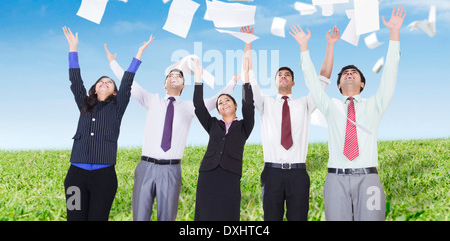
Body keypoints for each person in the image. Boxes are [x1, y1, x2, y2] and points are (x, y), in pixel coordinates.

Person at [291, 5, 406, 221]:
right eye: (345, 73)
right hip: (336, 179)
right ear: (339, 85)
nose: (349, 73)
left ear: (362, 83)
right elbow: (313, 84)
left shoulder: (375, 105)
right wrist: (304, 48)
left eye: (354, 73)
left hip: (369, 178)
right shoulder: (330, 106)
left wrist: (394, 34)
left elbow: (390, 74)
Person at [104, 47, 238, 221]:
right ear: (164, 84)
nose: (174, 78)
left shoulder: (190, 107)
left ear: (183, 86)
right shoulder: (151, 100)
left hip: (171, 169)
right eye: (170, 76)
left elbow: (215, 100)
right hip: (146, 167)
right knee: (140, 216)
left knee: (167, 217)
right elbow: (129, 83)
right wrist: (113, 63)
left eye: (179, 77)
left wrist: (233, 82)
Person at [241, 25, 339, 221]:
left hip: (298, 173)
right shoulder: (265, 103)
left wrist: (330, 45)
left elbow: (324, 78)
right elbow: (248, 74)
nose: (284, 77)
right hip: (272, 173)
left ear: (293, 82)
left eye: (288, 75)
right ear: (275, 82)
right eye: (280, 75)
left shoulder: (305, 104)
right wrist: (247, 43)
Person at [62, 26, 153, 221]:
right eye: (101, 81)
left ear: (114, 92)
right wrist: (73, 49)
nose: (104, 82)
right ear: (94, 89)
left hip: (104, 177)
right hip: (75, 177)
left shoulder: (118, 107)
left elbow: (127, 82)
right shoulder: (83, 104)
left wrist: (139, 53)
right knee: (73, 217)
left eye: (109, 82)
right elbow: (75, 80)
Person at [192, 57, 254, 221]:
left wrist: (246, 80)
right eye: (220, 102)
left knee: (228, 213)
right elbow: (198, 106)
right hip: (208, 173)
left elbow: (249, 105)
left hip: (230, 173)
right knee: (204, 212)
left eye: (227, 100)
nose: (223, 103)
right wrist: (198, 78)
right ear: (218, 110)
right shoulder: (212, 124)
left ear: (235, 106)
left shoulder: (244, 126)